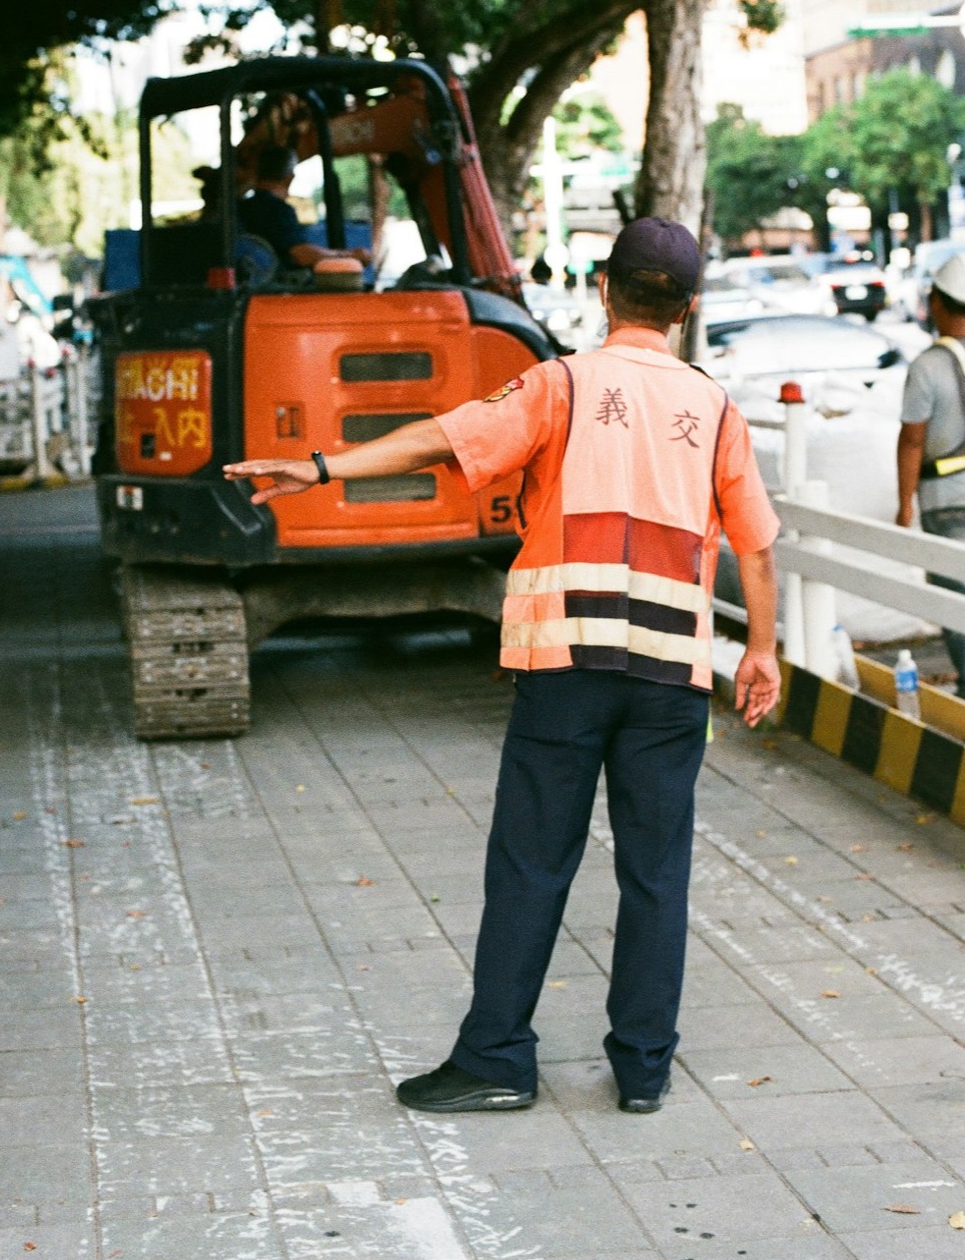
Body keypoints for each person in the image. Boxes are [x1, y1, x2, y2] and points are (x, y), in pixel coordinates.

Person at [223, 217, 781, 1115]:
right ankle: (642, 1069)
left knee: (530, 863)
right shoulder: (715, 407)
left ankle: (497, 1060)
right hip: (670, 673)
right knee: (656, 872)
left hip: (564, 660)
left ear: (604, 289)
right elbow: (753, 546)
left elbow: (442, 440)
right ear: (687, 308)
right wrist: (761, 650)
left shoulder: (559, 385)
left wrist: (320, 466)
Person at [897, 251, 965, 696]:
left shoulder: (926, 367)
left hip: (945, 500)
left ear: (938, 304)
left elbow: (913, 441)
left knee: (954, 597)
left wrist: (905, 503)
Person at [236, 144, 371, 272]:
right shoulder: (278, 210)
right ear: (290, 177)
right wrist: (350, 255)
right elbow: (302, 255)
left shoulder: (242, 207)